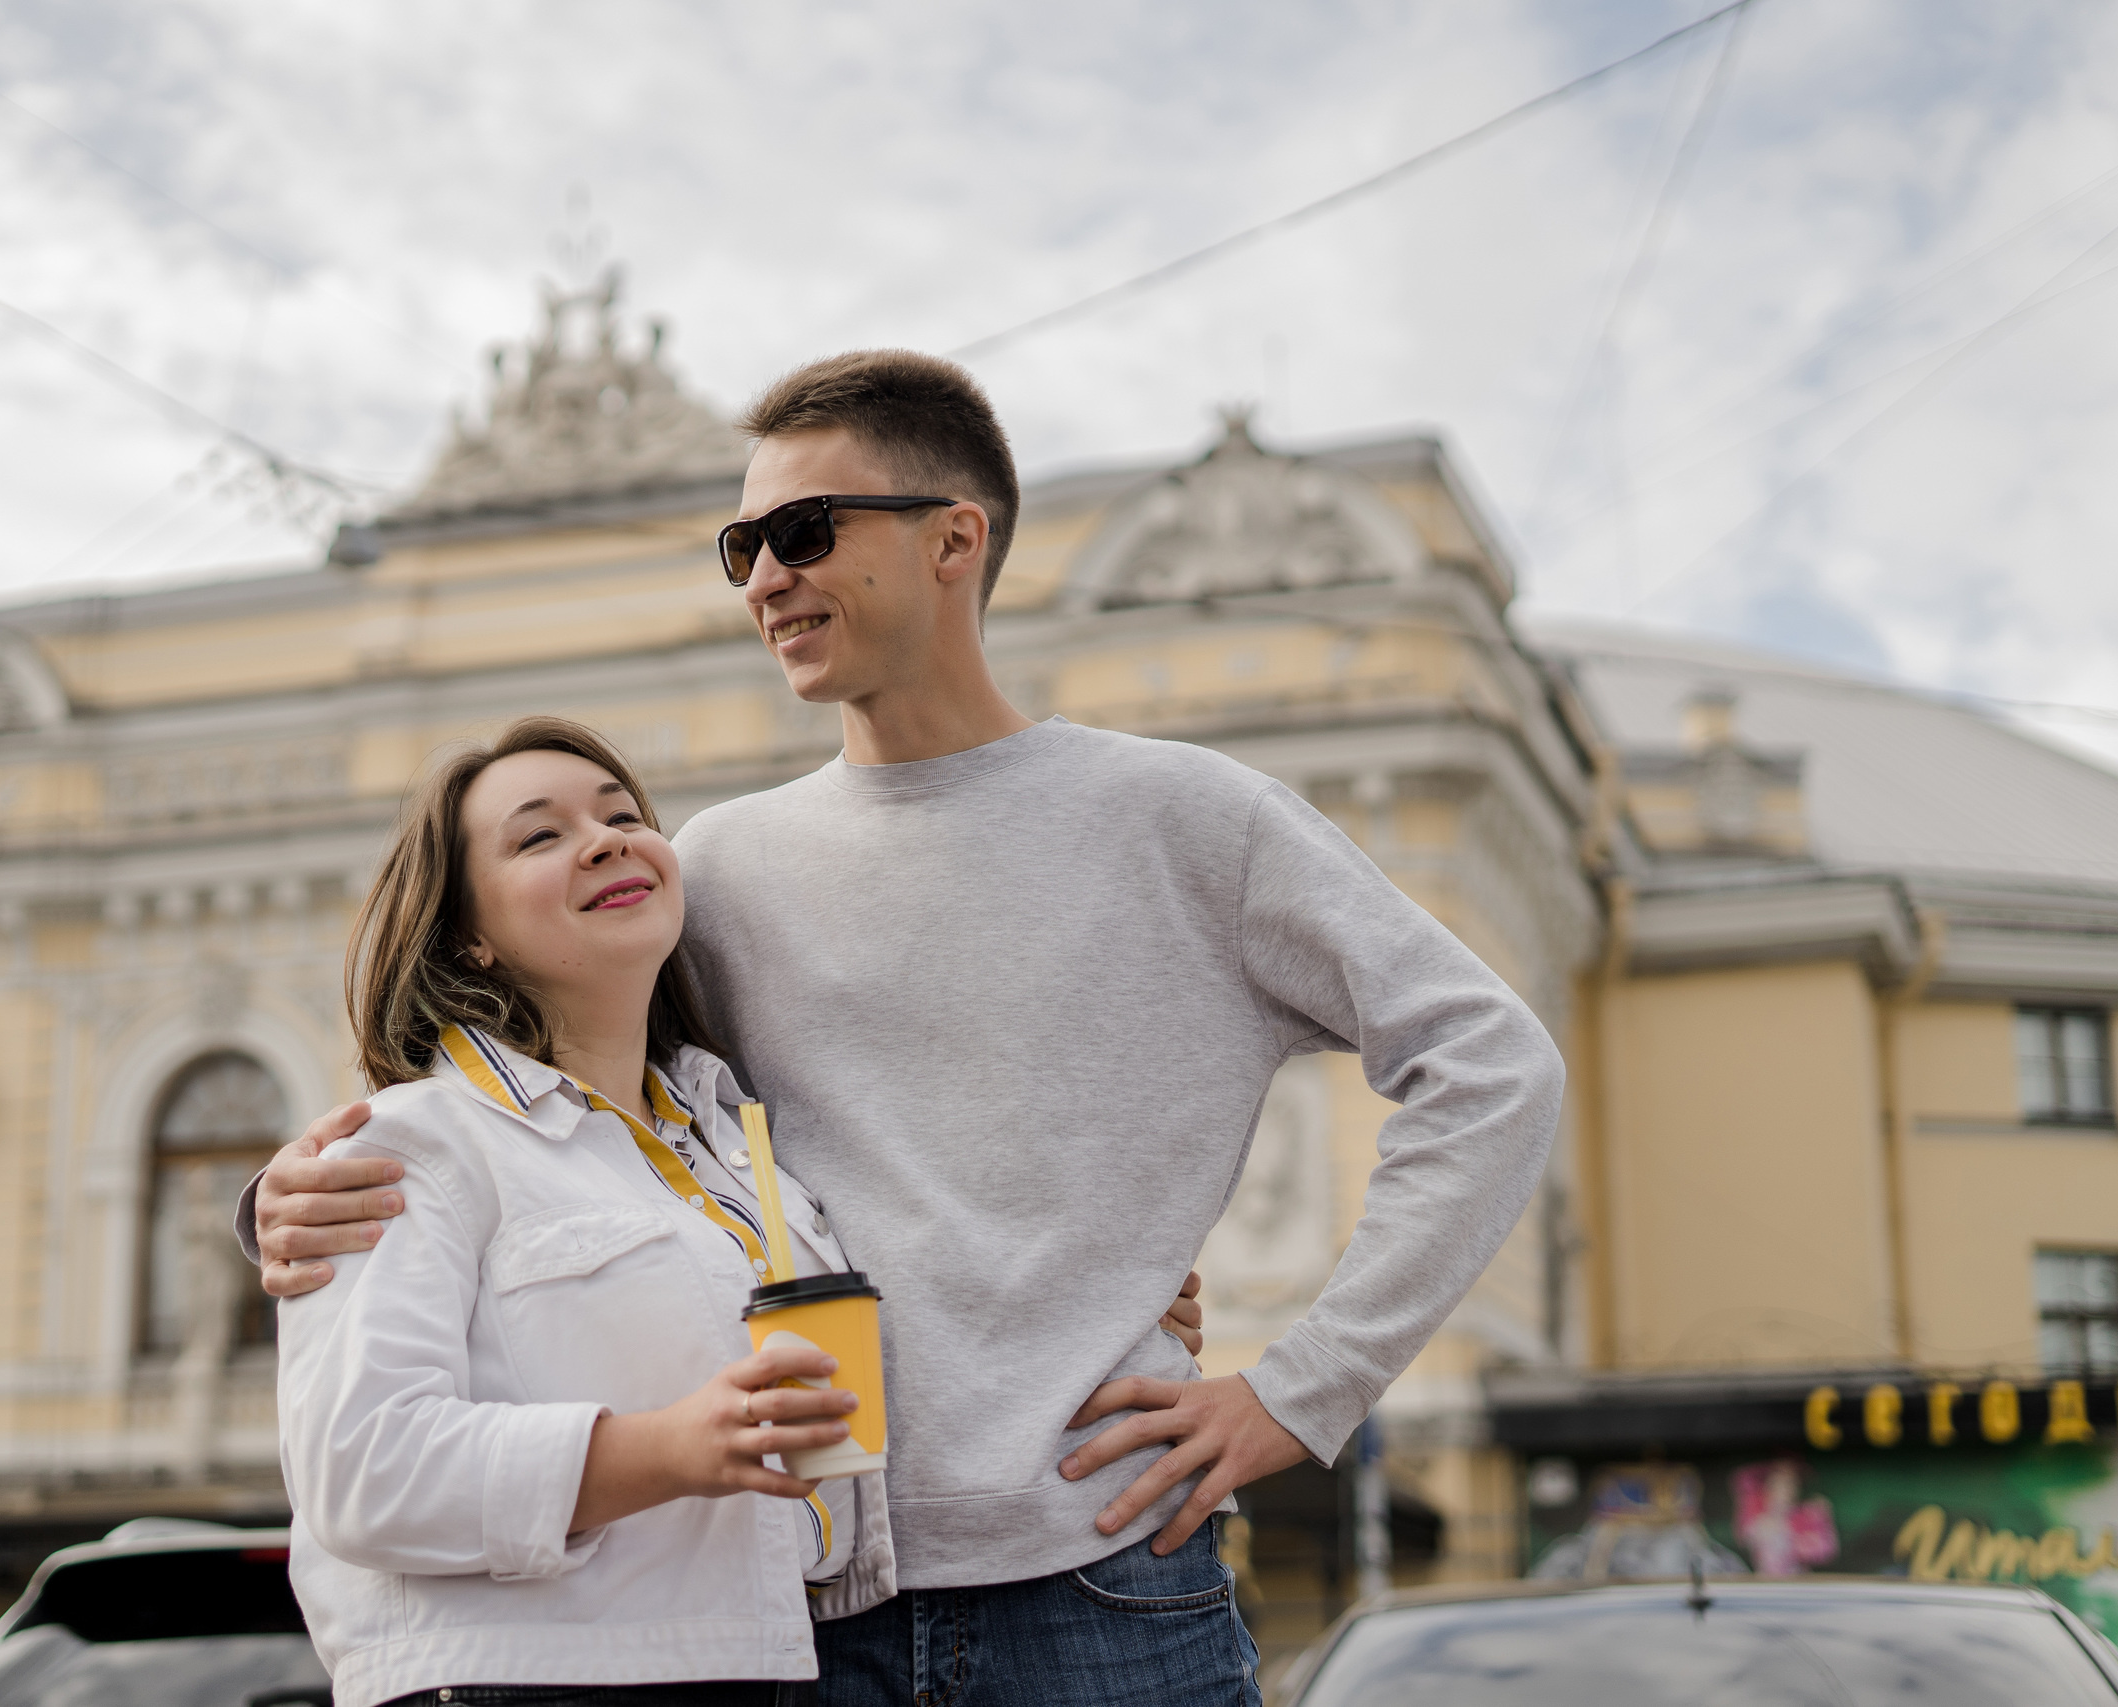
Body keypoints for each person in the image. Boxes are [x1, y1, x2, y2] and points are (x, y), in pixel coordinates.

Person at [250, 352, 1564, 1706]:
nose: (765, 575)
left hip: (1107, 1580)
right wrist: (297, 1191)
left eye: (805, 531)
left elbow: (1493, 1063)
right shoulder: (719, 865)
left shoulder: (1187, 818)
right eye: (740, 545)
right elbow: (558, 1105)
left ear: (954, 537)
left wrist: (1303, 1387)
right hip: (791, 1608)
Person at [274, 716, 1204, 1707]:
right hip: (526, 1681)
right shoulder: (410, 1145)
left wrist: (1098, 1303)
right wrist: (668, 1448)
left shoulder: (737, 1158)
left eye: (623, 815)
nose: (604, 839)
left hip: (779, 1667)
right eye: (539, 836)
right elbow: (360, 1470)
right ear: (470, 934)